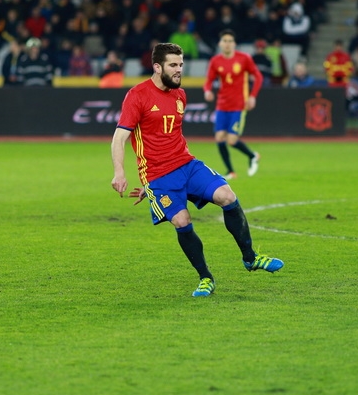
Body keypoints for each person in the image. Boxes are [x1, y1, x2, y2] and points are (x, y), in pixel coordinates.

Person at [110, 42, 283, 298]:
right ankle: (206, 278)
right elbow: (119, 138)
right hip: (159, 176)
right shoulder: (137, 96)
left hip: (186, 164)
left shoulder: (180, 95)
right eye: (173, 65)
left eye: (181, 64)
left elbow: (168, 137)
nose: (179, 70)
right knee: (182, 220)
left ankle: (251, 258)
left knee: (227, 196)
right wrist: (120, 173)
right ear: (157, 67)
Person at [203, 29, 263, 179]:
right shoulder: (215, 61)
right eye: (225, 41)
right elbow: (209, 80)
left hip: (238, 105)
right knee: (219, 138)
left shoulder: (244, 58)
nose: (227, 44)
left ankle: (252, 155)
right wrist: (207, 91)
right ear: (220, 43)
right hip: (222, 104)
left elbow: (258, 77)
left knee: (231, 140)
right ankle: (231, 171)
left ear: (234, 43)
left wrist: (252, 96)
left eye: (230, 41)